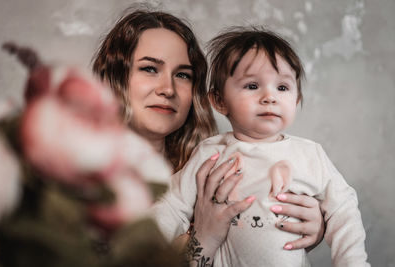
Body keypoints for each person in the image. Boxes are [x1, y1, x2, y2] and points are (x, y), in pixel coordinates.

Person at [91, 8, 325, 264]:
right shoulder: (77, 182)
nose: (168, 89)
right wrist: (202, 236)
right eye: (149, 69)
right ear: (114, 76)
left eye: (182, 75)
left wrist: (310, 226)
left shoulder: (215, 162)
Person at [152, 27, 370, 267]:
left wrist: (351, 262)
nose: (270, 97)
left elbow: (344, 211)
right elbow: (172, 206)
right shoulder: (211, 152)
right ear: (220, 101)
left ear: (296, 100)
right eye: (252, 86)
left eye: (282, 87)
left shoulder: (310, 155)